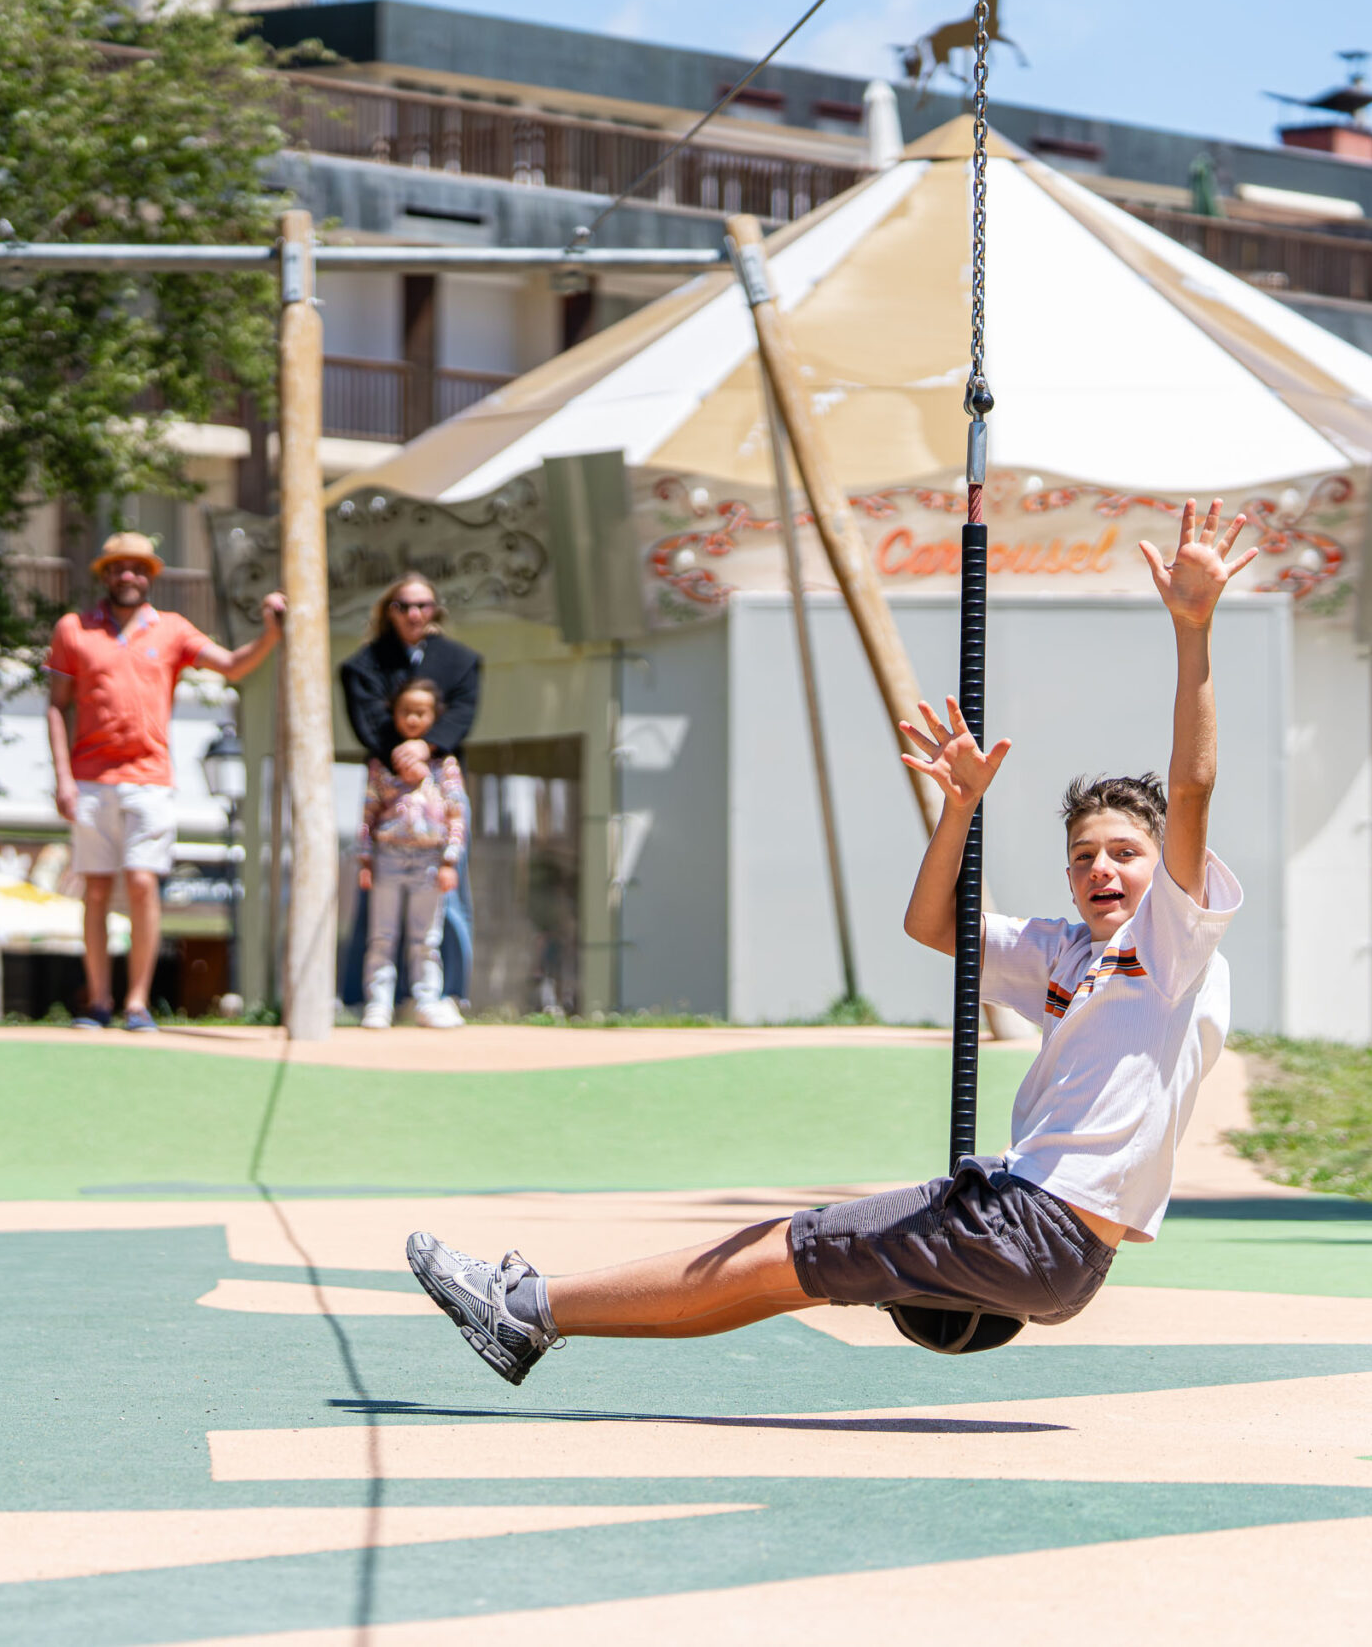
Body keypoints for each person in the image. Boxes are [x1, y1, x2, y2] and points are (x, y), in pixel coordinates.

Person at [404, 502, 1254, 1382]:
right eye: (1084, 855)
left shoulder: (1175, 946)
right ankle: (535, 1314)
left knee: (776, 1250)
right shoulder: (1064, 951)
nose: (1103, 869)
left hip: (1040, 1222)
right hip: (1040, 1232)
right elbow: (933, 926)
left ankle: (528, 1304)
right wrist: (959, 809)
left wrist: (1194, 631)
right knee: (774, 1271)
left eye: (1127, 852)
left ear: (1167, 869)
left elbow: (1189, 792)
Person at [45, 530, 286, 1031]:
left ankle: (136, 1002)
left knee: (141, 884)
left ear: (150, 575)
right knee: (94, 890)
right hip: (90, 779)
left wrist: (270, 633)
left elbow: (234, 667)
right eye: (116, 568)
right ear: (105, 575)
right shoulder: (73, 629)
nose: (126, 576)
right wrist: (63, 778)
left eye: (135, 568)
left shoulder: (172, 629)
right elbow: (56, 704)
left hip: (150, 778)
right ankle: (97, 1001)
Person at [340, 573, 481, 1011]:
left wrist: (429, 745)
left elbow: (461, 713)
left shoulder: (459, 661)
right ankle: (371, 998)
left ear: (435, 609)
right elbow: (368, 721)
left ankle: (448, 993)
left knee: (447, 899)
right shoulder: (365, 664)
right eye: (404, 606)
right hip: (389, 803)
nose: (414, 614)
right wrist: (404, 755)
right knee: (378, 912)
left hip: (440, 799)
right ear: (389, 611)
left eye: (423, 605)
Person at [356, 680, 467, 1029]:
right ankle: (378, 1003)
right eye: (406, 711)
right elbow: (368, 812)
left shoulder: (445, 764)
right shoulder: (382, 764)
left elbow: (456, 814)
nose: (413, 718)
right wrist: (365, 859)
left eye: (421, 712)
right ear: (394, 715)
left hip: (429, 861)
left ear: (434, 716)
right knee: (382, 935)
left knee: (426, 938)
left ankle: (426, 1000)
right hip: (388, 856)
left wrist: (450, 860)